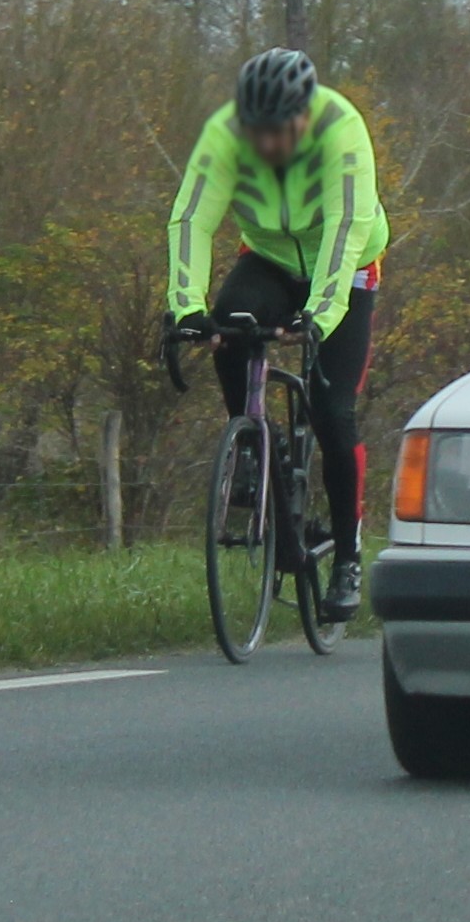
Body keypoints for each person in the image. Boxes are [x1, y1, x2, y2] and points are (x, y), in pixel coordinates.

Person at [166, 48, 389, 621]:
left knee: (334, 411)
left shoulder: (342, 131)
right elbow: (192, 218)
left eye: (279, 131)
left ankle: (348, 553)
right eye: (256, 131)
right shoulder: (225, 135)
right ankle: (252, 443)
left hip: (345, 267)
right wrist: (185, 307)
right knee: (229, 323)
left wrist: (320, 314)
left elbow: (347, 227)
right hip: (267, 258)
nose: (266, 144)